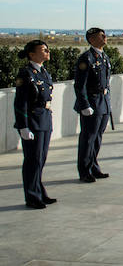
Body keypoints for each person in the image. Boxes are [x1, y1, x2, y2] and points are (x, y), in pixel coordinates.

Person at [13, 40, 56, 208]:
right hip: (32, 121)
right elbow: (20, 102)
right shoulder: (26, 73)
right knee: (33, 160)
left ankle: (39, 191)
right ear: (32, 54)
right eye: (43, 50)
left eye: (47, 49)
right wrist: (23, 126)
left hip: (44, 119)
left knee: (41, 159)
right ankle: (32, 196)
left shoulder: (43, 72)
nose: (47, 52)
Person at [74, 27, 112, 182]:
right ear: (92, 39)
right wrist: (84, 105)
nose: (105, 37)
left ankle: (94, 166)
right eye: (101, 36)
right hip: (92, 102)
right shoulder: (86, 58)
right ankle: (84, 170)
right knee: (88, 138)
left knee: (97, 137)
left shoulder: (103, 57)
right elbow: (80, 85)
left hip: (103, 101)